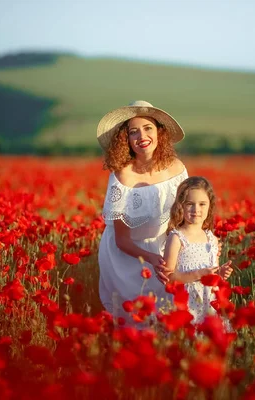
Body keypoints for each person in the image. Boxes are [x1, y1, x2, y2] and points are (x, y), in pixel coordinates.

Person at [97, 100, 188, 325]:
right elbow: (121, 239)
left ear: (159, 133)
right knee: (137, 323)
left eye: (148, 128)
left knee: (169, 317)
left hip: (165, 247)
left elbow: (184, 217)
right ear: (125, 139)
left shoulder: (176, 167)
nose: (142, 136)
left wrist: (174, 253)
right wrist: (151, 258)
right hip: (127, 256)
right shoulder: (123, 176)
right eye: (133, 132)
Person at [162, 176, 233, 325]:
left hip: (209, 303)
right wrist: (198, 275)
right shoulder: (177, 238)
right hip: (186, 304)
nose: (196, 209)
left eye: (202, 204)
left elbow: (212, 274)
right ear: (180, 206)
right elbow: (168, 278)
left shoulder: (212, 239)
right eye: (190, 204)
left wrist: (220, 274)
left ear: (210, 206)